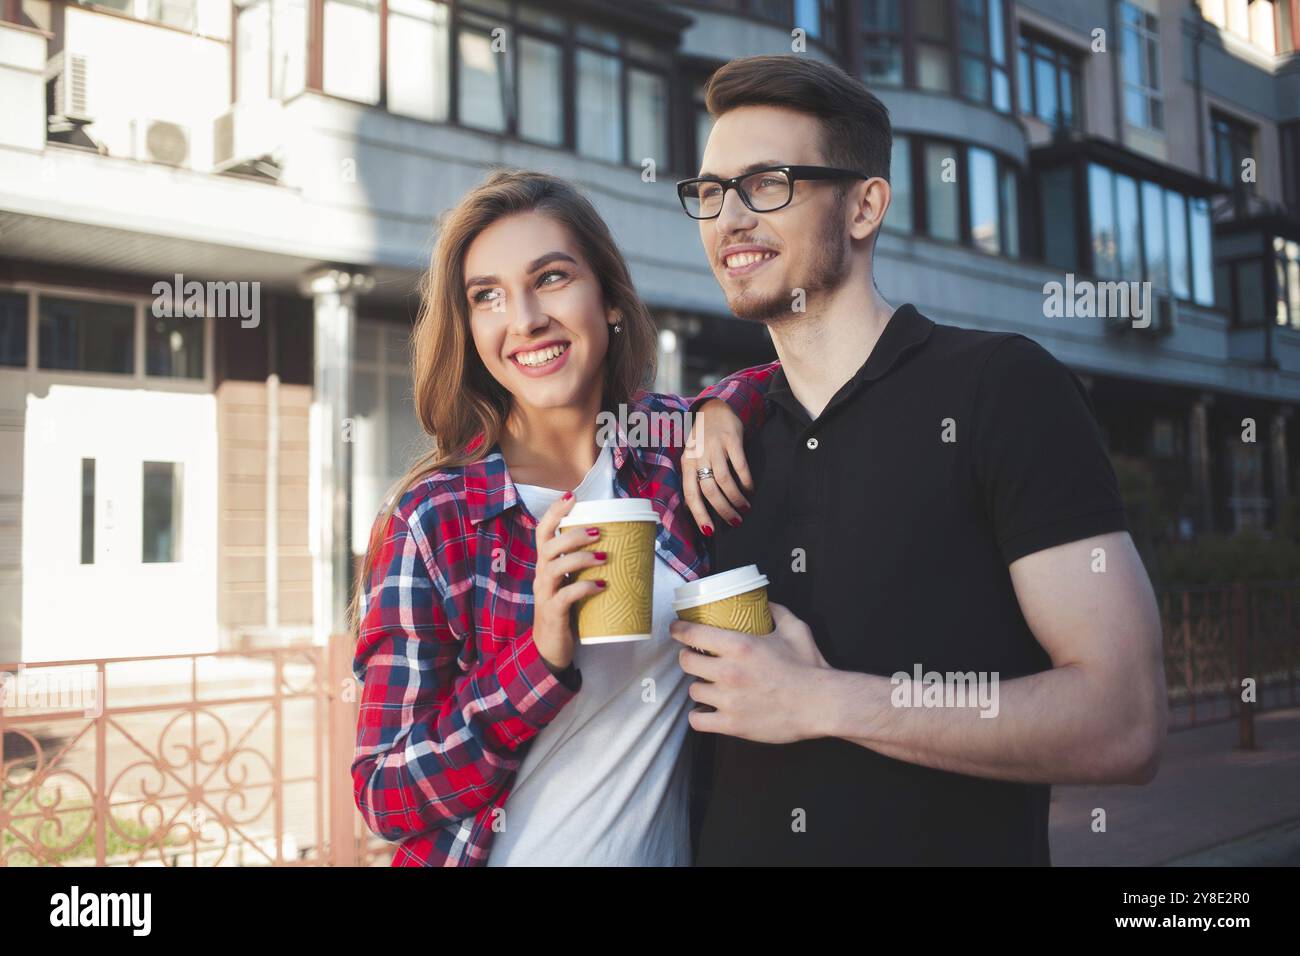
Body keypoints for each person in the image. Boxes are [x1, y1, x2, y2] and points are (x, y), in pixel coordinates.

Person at [670, 54, 1168, 865]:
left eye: (767, 184)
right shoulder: (721, 441)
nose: (729, 218)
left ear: (865, 206)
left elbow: (1126, 719)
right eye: (711, 192)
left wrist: (823, 700)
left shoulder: (1002, 389)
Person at [348, 169, 772, 866]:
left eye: (550, 278)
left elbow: (786, 381)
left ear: (608, 299)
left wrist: (723, 405)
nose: (524, 319)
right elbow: (384, 795)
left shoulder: (665, 452)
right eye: (488, 296)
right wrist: (539, 657)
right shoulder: (433, 520)